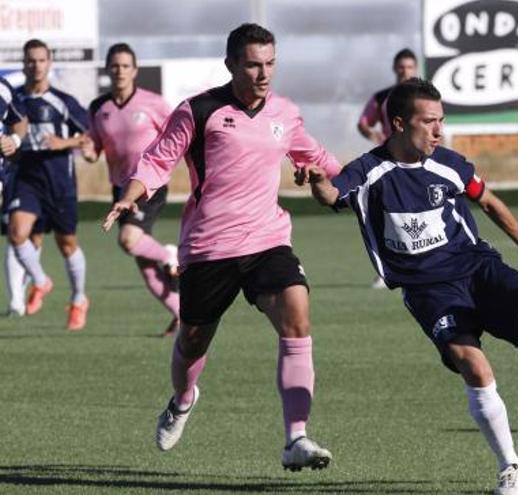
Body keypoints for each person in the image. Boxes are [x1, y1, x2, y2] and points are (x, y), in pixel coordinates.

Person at [305, 78, 518, 495]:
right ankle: (510, 467)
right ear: (398, 124)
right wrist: (316, 182)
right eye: (429, 122)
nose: (439, 131)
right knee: (476, 367)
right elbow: (332, 194)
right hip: (427, 291)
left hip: (477, 269)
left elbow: (488, 201)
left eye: (442, 121)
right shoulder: (369, 171)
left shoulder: (449, 164)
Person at [102, 23, 340, 471]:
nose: (263, 73)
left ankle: (296, 438)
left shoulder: (285, 114)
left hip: (267, 240)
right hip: (209, 248)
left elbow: (323, 161)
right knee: (192, 342)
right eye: (253, 64)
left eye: (270, 63)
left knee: (297, 316)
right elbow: (157, 161)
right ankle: (182, 398)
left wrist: (336, 180)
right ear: (231, 63)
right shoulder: (199, 110)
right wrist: (129, 196)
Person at [82, 43, 179, 336]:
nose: (120, 71)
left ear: (135, 71)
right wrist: (88, 152)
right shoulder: (99, 108)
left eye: (125, 66)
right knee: (143, 262)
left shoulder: (153, 103)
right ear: (108, 69)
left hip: (150, 185)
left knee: (128, 239)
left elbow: (178, 135)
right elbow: (95, 148)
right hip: (120, 189)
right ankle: (182, 314)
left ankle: (171, 256)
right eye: (115, 66)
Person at [8, 39, 90, 330]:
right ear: (24, 63)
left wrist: (63, 142)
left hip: (59, 181)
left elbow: (90, 136)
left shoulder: (63, 101)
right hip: (26, 178)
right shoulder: (13, 99)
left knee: (67, 245)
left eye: (41, 60)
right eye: (31, 60)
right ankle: (41, 282)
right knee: (17, 234)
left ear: (49, 63)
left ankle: (79, 299)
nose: (36, 65)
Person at [356, 48, 418, 288]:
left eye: (410, 67)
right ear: (395, 68)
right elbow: (363, 123)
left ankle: (422, 265)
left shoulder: (423, 97)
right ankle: (386, 270)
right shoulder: (382, 98)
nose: (405, 71)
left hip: (417, 163)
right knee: (387, 215)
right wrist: (373, 135)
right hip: (388, 163)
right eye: (401, 67)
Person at [1, 75, 29, 317]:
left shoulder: (3, 88)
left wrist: (14, 140)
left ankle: (18, 299)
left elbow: (20, 123)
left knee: (17, 232)